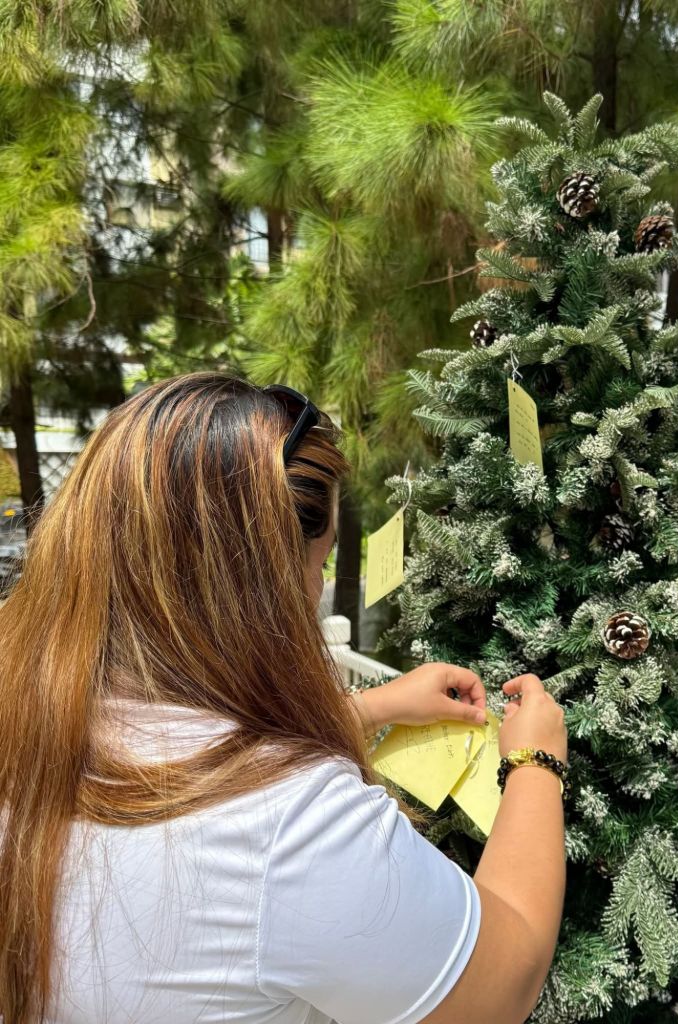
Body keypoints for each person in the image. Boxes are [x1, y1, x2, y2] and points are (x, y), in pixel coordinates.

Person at [0, 373, 567, 1024]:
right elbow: (502, 983)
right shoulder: (293, 826)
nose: (317, 590)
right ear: (264, 582)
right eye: (318, 564)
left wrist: (375, 707)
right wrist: (535, 764)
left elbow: (177, 756)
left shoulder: (24, 699)